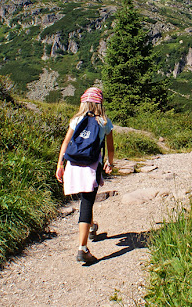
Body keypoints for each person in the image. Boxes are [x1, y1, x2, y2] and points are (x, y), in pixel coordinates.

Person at [56, 87, 115, 264]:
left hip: (73, 166)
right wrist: (109, 163)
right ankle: (82, 248)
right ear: (100, 104)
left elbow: (66, 142)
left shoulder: (76, 120)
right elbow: (110, 148)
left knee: (84, 200)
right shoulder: (105, 122)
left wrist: (60, 164)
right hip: (91, 166)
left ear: (83, 103)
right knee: (87, 203)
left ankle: (90, 228)